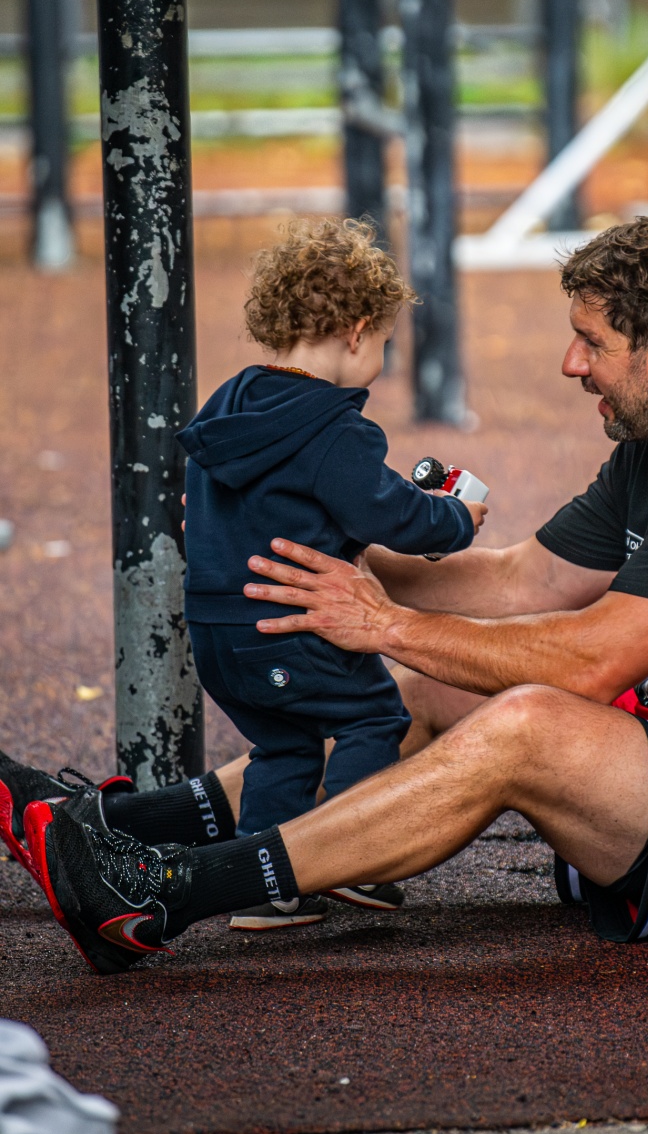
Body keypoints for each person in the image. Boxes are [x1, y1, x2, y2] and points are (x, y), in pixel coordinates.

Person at [13, 217, 648, 977]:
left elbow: (591, 657)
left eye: (592, 343)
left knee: (525, 721)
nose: (571, 364)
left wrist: (386, 623)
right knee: (428, 686)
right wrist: (315, 549)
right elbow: (522, 579)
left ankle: (164, 891)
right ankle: (111, 829)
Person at [176, 218, 486, 926]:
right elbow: (391, 515)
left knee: (284, 743)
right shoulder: (335, 430)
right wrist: (457, 520)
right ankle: (356, 856)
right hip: (286, 629)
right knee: (375, 715)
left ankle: (265, 887)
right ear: (356, 332)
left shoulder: (228, 407)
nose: (380, 357)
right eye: (383, 344)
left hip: (217, 633)